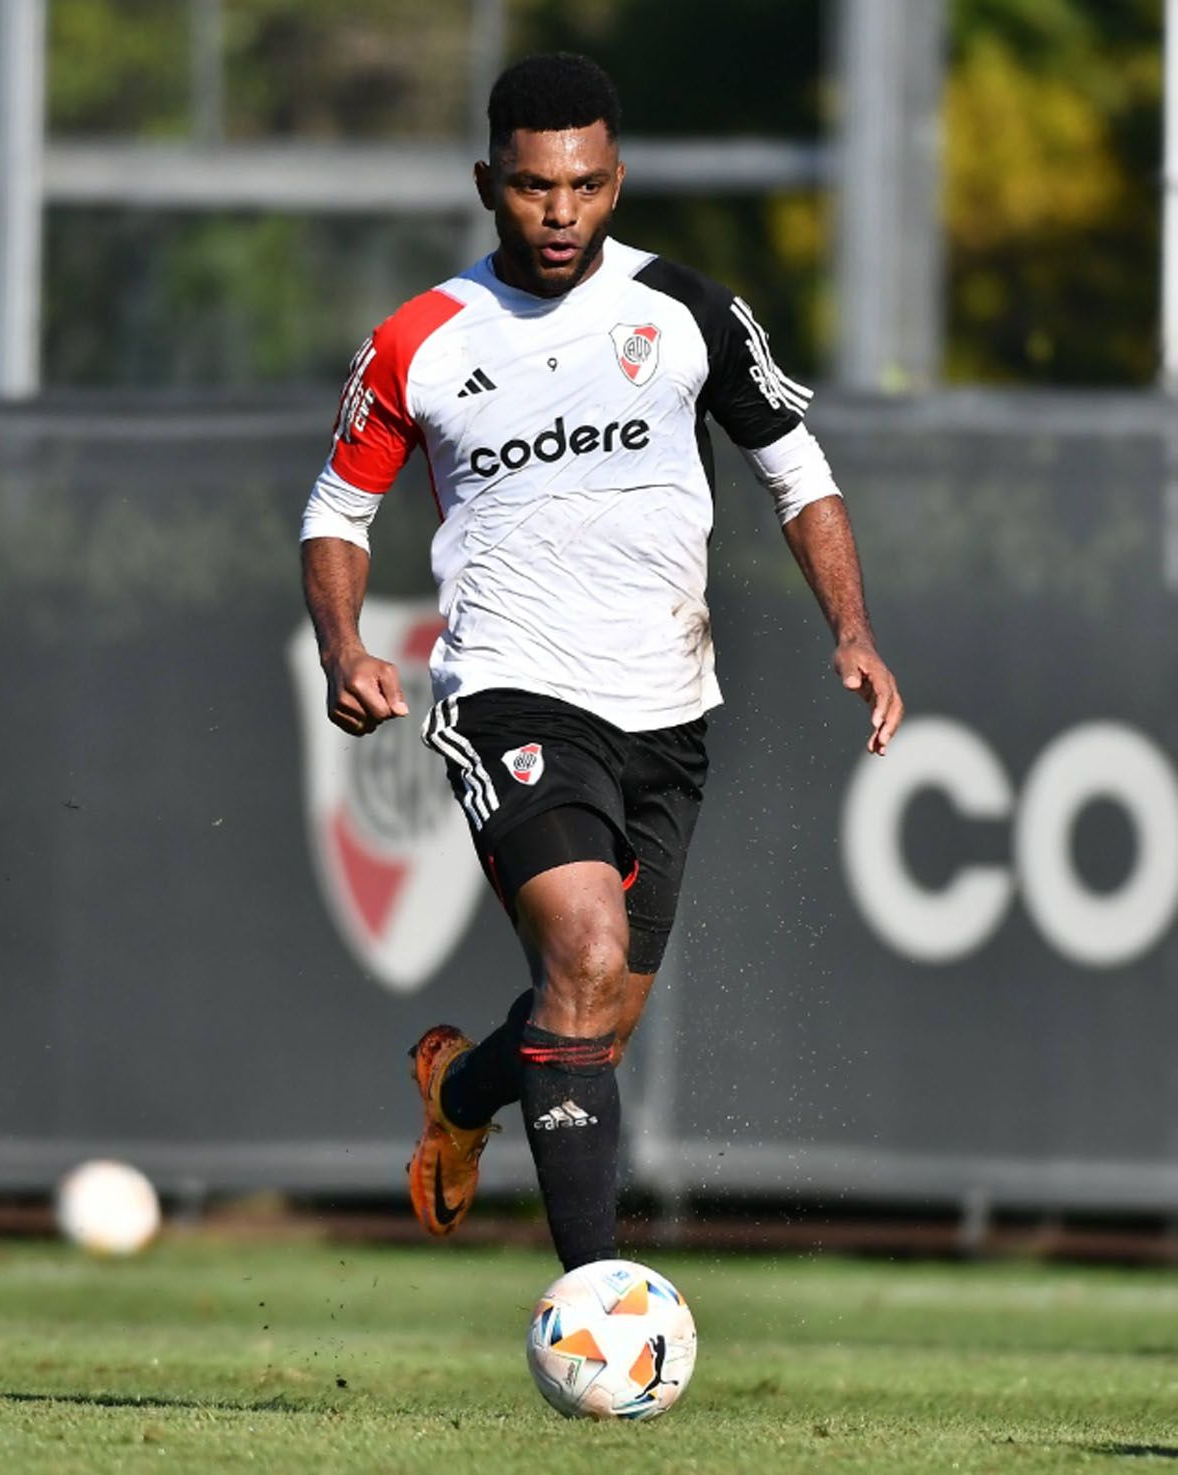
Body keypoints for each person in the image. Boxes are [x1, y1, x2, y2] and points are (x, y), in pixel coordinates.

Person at [300, 52, 903, 1271]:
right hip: (509, 686)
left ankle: (464, 1092)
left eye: (582, 185)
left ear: (616, 179)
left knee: (595, 1019)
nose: (559, 212)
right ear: (488, 182)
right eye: (531, 187)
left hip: (668, 705)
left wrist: (852, 627)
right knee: (581, 951)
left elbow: (798, 468)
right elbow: (335, 513)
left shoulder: (685, 310)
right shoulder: (419, 340)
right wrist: (344, 645)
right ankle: (595, 1303)